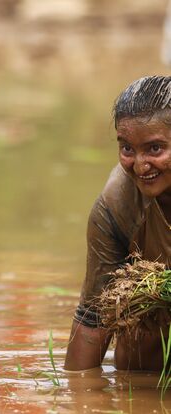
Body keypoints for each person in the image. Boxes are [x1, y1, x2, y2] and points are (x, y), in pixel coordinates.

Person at [65, 75, 171, 372]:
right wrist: (77, 396)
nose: (139, 165)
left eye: (154, 149)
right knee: (141, 325)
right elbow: (93, 316)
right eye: (127, 149)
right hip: (152, 354)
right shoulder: (116, 206)